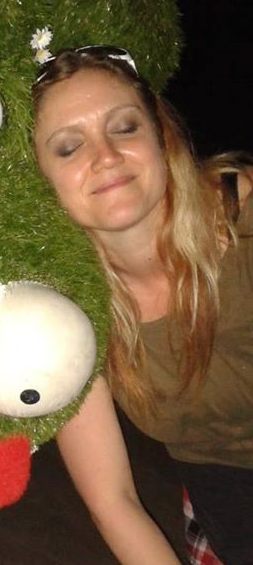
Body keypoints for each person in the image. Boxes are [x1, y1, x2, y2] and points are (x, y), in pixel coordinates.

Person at [31, 46, 253, 565]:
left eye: (124, 127)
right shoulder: (67, 315)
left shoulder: (243, 211)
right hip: (225, 494)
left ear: (160, 137)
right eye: (69, 147)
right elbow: (114, 502)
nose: (106, 156)